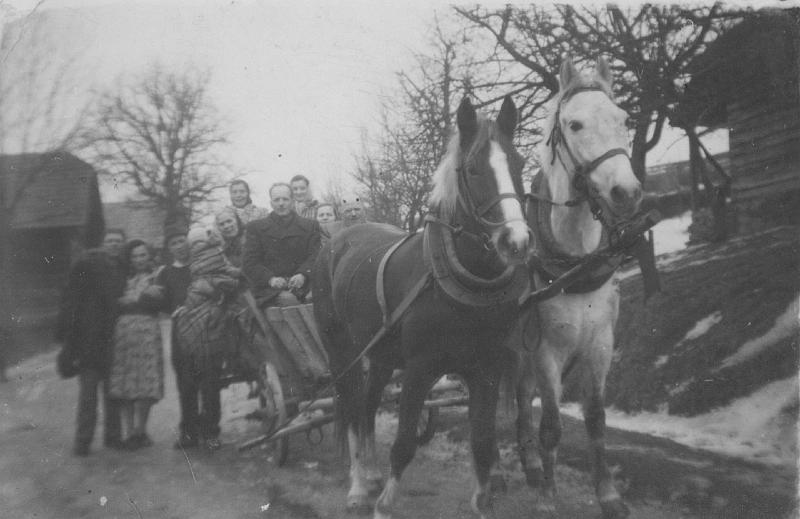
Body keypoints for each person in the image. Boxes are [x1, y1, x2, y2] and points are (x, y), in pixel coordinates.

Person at [56, 229, 127, 456]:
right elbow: (73, 301)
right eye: (110, 241)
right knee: (88, 395)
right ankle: (83, 440)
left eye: (118, 242)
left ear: (123, 245)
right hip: (90, 342)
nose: (114, 245)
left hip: (114, 340)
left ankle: (113, 437)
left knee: (113, 394)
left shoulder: (123, 269)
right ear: (103, 244)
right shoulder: (87, 266)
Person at [172, 226, 243, 450]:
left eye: (198, 244)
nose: (195, 248)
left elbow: (227, 280)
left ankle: (208, 432)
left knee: (208, 384)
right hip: (187, 331)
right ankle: (191, 432)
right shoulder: (172, 271)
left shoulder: (211, 260)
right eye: (193, 245)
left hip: (211, 328)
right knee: (188, 385)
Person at [108, 240, 165, 450]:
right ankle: (130, 431)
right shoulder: (123, 278)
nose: (139, 260)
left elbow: (158, 300)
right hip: (124, 333)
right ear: (129, 259)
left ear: (149, 256)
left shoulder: (158, 276)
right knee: (127, 383)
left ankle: (141, 430)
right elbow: (115, 302)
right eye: (135, 256)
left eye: (143, 255)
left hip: (148, 330)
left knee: (147, 383)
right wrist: (137, 297)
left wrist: (133, 299)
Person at [243, 182, 322, 307]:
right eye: (276, 200)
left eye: (285, 199)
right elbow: (249, 263)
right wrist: (271, 279)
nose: (281, 203)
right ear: (271, 203)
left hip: (305, 284)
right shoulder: (256, 228)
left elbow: (316, 256)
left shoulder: (310, 226)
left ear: (292, 201)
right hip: (270, 290)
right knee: (290, 301)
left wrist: (303, 274)